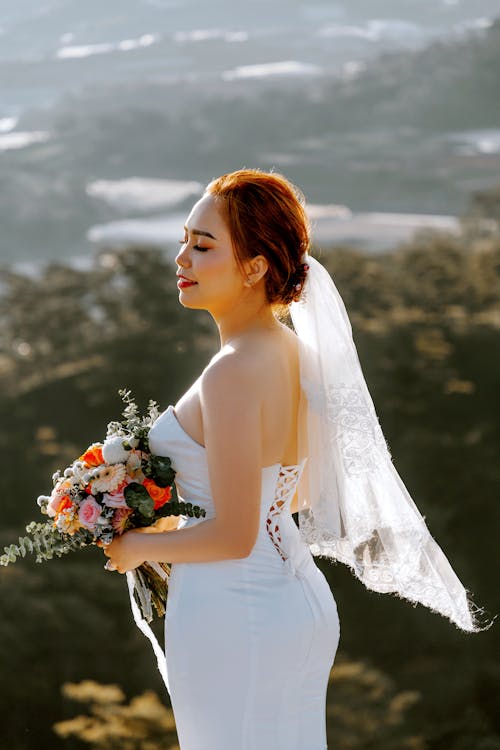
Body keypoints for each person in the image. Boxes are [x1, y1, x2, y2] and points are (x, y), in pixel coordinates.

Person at [104, 168, 485, 750]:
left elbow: (233, 535)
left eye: (203, 245)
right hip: (293, 598)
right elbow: (293, 494)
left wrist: (136, 546)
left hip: (234, 608)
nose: (182, 257)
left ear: (255, 268)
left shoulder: (232, 371)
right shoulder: (295, 355)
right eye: (184, 239)